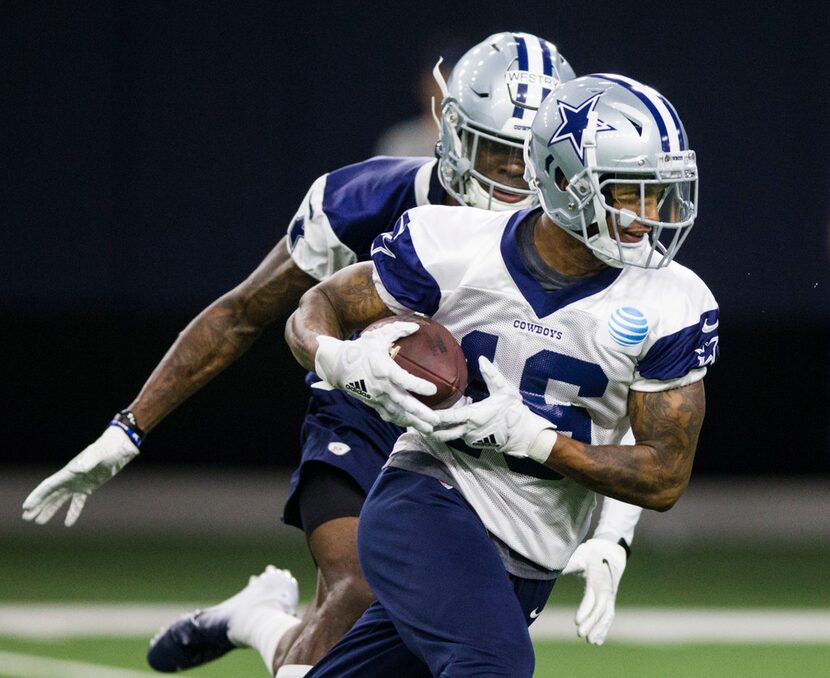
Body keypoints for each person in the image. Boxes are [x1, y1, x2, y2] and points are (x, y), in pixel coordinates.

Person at [20, 36, 635, 677]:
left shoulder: (574, 245)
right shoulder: (362, 201)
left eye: (528, 158)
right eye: (498, 153)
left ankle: (254, 618)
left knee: (374, 645)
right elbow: (244, 313)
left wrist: (611, 532)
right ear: (452, 131)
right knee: (359, 588)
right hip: (364, 416)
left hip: (480, 451)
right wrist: (131, 426)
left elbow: (629, 395)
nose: (514, 176)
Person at [282, 73, 717, 677]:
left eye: (660, 193)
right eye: (629, 193)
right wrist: (339, 358)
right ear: (566, 181)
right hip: (428, 500)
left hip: (532, 553)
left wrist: (538, 442)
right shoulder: (455, 243)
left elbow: (665, 476)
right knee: (494, 666)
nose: (651, 216)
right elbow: (315, 308)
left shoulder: (673, 303)